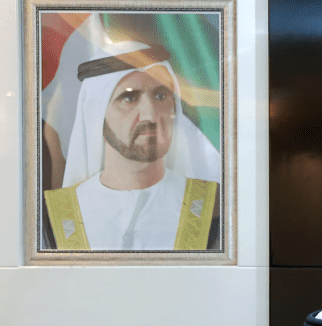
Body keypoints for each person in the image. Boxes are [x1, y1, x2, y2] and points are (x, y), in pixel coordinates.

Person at [44, 42, 221, 251]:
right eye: (129, 98)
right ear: (97, 117)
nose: (150, 115)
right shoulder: (54, 215)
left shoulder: (214, 205)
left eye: (160, 96)